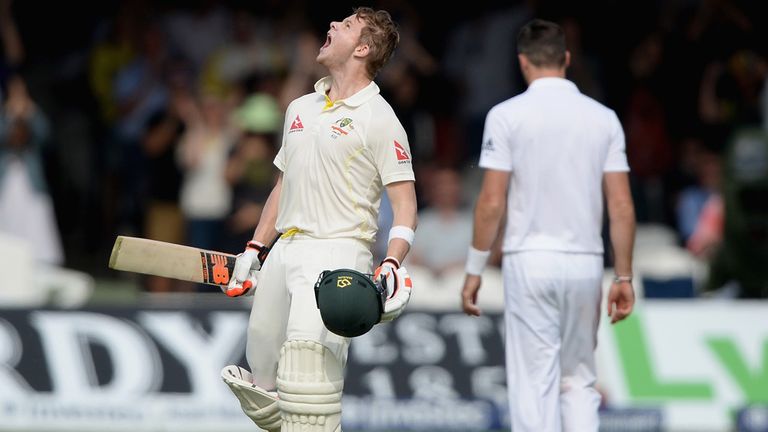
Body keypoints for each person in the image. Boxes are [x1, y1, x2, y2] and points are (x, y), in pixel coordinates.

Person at [220, 7, 417, 432]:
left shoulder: (380, 118)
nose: (331, 25)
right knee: (263, 383)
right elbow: (282, 186)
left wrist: (393, 261)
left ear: (363, 48)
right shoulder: (299, 107)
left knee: (307, 374)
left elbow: (405, 205)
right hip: (285, 250)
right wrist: (255, 249)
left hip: (338, 253)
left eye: (345, 26)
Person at [460, 19, 636, 432]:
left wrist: (474, 268)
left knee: (533, 381)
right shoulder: (603, 118)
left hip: (530, 258)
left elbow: (490, 202)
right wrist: (624, 274)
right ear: (567, 59)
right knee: (579, 380)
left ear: (522, 62)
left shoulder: (506, 115)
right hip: (585, 261)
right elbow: (622, 204)